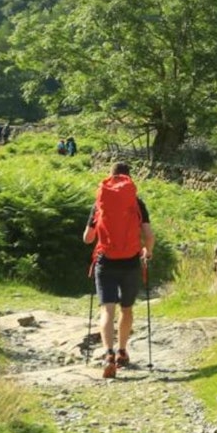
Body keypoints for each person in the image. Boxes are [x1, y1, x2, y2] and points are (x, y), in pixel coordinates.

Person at [82, 161, 154, 378]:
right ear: (129, 178)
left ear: (110, 176)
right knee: (127, 309)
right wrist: (147, 252)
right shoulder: (137, 203)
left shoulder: (100, 202)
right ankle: (122, 350)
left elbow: (87, 238)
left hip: (105, 262)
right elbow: (149, 235)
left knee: (107, 310)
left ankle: (108, 354)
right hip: (130, 262)